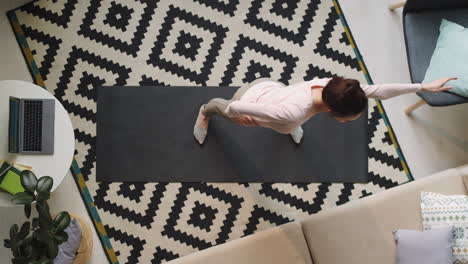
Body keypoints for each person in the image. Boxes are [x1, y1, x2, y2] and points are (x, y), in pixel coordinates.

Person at [193, 76, 456, 145]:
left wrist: (424, 87)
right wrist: (242, 119)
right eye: (353, 116)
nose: (355, 119)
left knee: (290, 122)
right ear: (332, 109)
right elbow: (236, 106)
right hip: (250, 98)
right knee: (223, 108)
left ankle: (290, 129)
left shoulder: (335, 87)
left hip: (274, 90)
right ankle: (204, 112)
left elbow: (381, 90)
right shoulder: (289, 114)